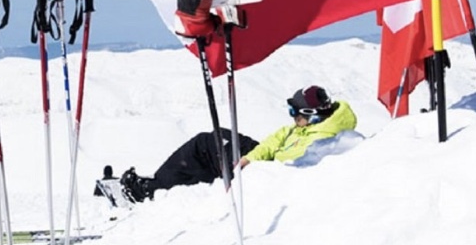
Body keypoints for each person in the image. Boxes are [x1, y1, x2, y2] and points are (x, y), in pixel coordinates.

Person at [118, 85, 358, 203]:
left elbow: (287, 162)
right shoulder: (310, 125)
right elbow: (278, 137)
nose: (293, 118)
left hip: (271, 170)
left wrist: (251, 161)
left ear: (312, 114)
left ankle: (151, 191)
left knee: (206, 146)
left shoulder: (321, 138)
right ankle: (165, 185)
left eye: (296, 113)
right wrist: (250, 156)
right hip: (262, 158)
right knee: (213, 138)